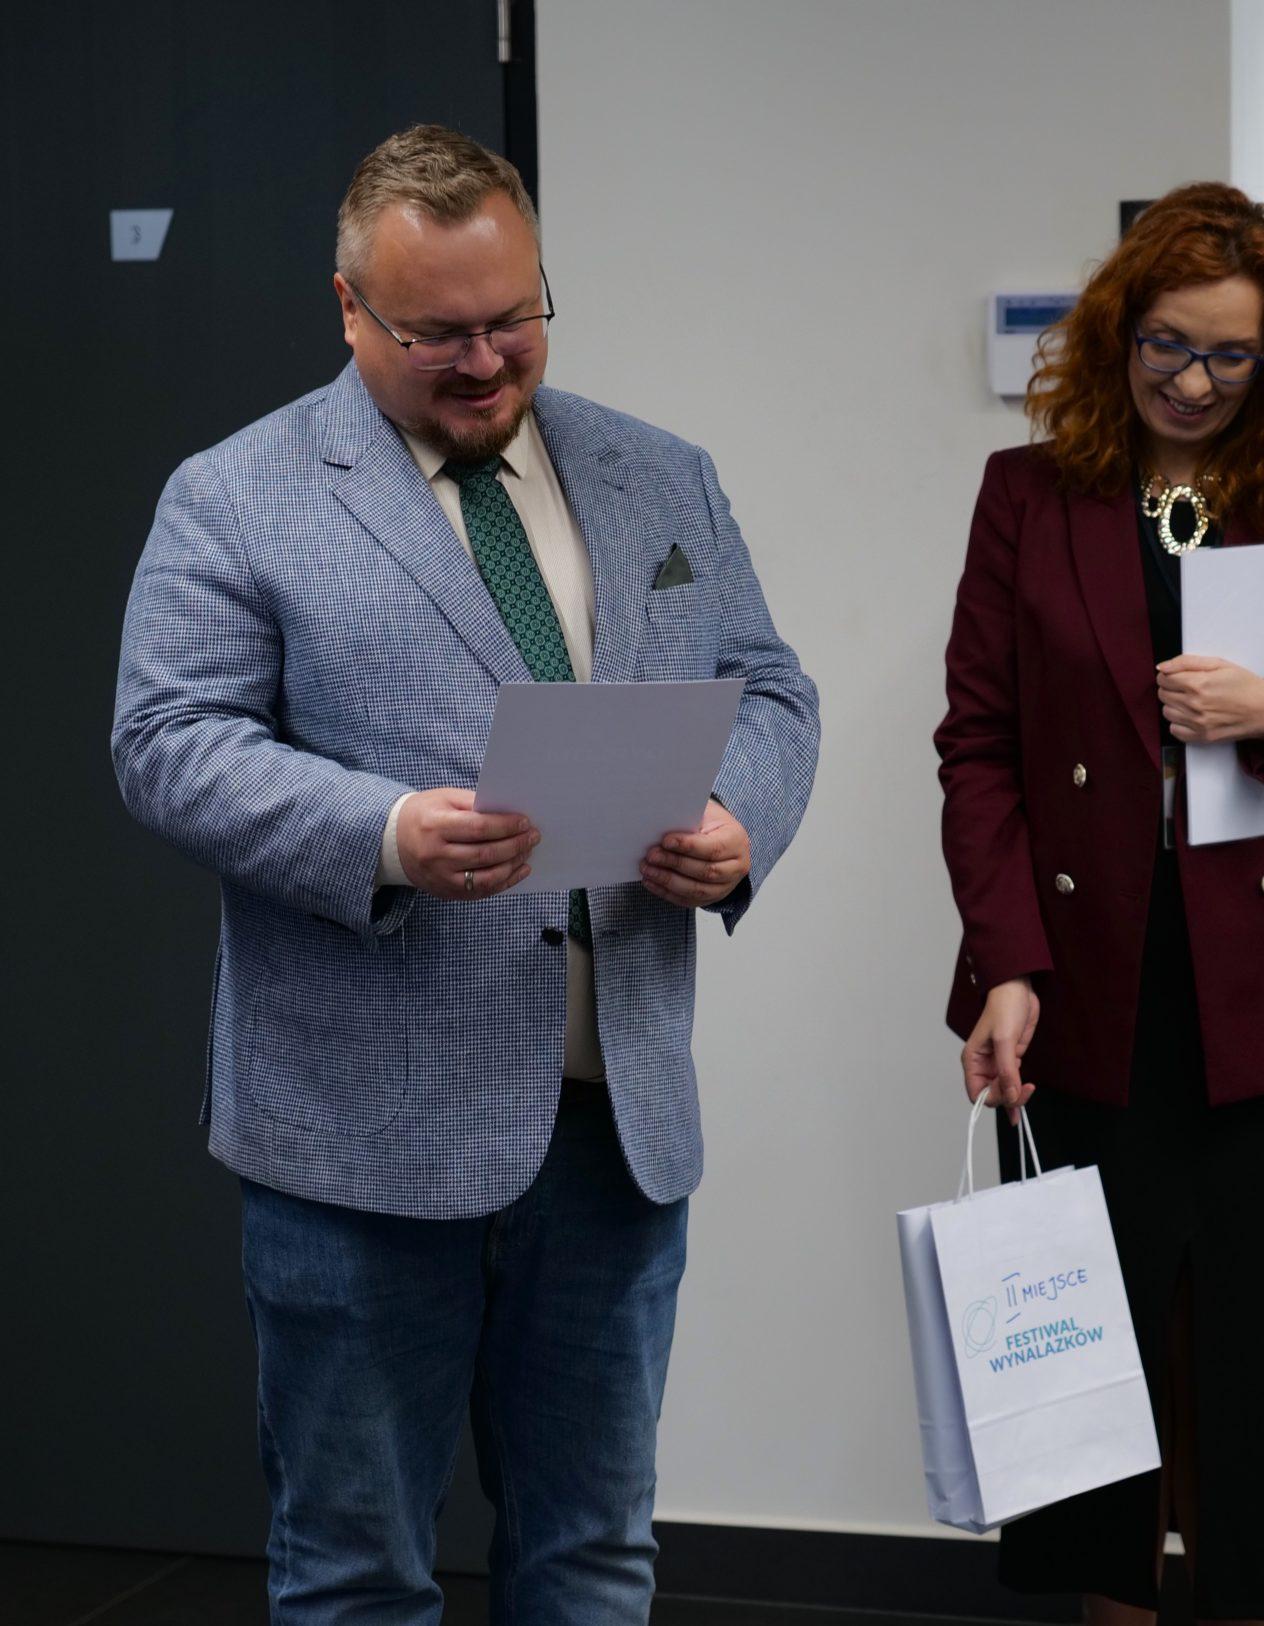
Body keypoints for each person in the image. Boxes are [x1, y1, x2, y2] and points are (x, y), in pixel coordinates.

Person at [111, 125, 819, 1622]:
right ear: (350, 309)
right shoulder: (235, 494)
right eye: (438, 333)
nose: (486, 361)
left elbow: (769, 687)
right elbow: (168, 741)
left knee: (595, 1557)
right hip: (359, 1141)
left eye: (513, 317)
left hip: (615, 1130)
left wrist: (739, 817)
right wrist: (383, 833)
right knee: (356, 1572)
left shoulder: (660, 475)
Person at [933, 183, 1264, 1626]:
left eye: (1229, 355)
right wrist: (1007, 963)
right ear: (1119, 333)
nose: (1196, 383)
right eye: (1169, 346)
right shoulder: (1028, 495)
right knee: (1094, 1355)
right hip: (1084, 984)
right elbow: (979, 748)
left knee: (1258, 1361)